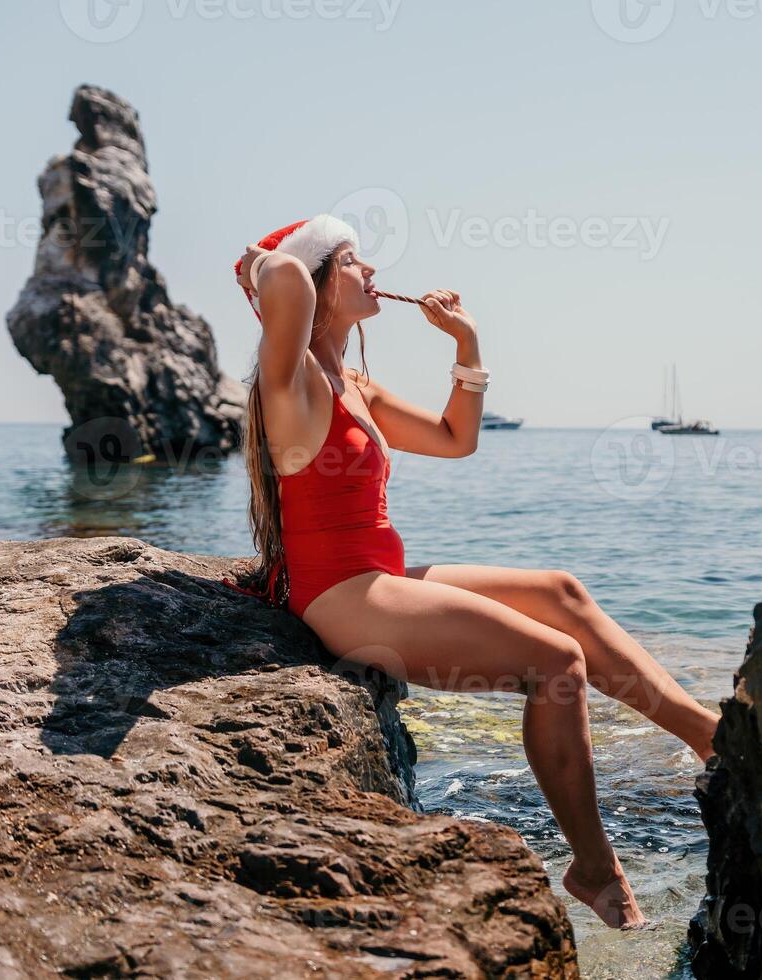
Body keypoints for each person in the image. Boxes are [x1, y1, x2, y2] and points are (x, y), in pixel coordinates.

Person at [223, 214, 720, 929]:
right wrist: (256, 264)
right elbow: (287, 282)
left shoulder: (351, 381)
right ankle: (595, 868)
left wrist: (467, 343)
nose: (374, 276)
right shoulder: (292, 376)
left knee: (561, 593)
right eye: (355, 262)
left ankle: (704, 734)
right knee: (557, 664)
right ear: (321, 280)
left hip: (379, 572)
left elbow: (458, 441)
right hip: (339, 594)